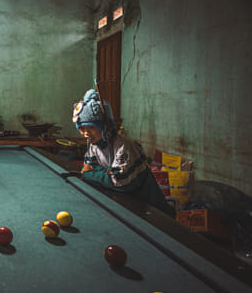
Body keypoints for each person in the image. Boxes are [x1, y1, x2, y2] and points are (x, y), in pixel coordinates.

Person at [72, 89, 175, 217]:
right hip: (128, 206)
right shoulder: (94, 145)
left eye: (91, 127)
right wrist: (106, 174)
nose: (86, 133)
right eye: (82, 128)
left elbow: (120, 182)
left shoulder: (123, 146)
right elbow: (87, 167)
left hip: (152, 211)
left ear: (105, 127)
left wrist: (90, 175)